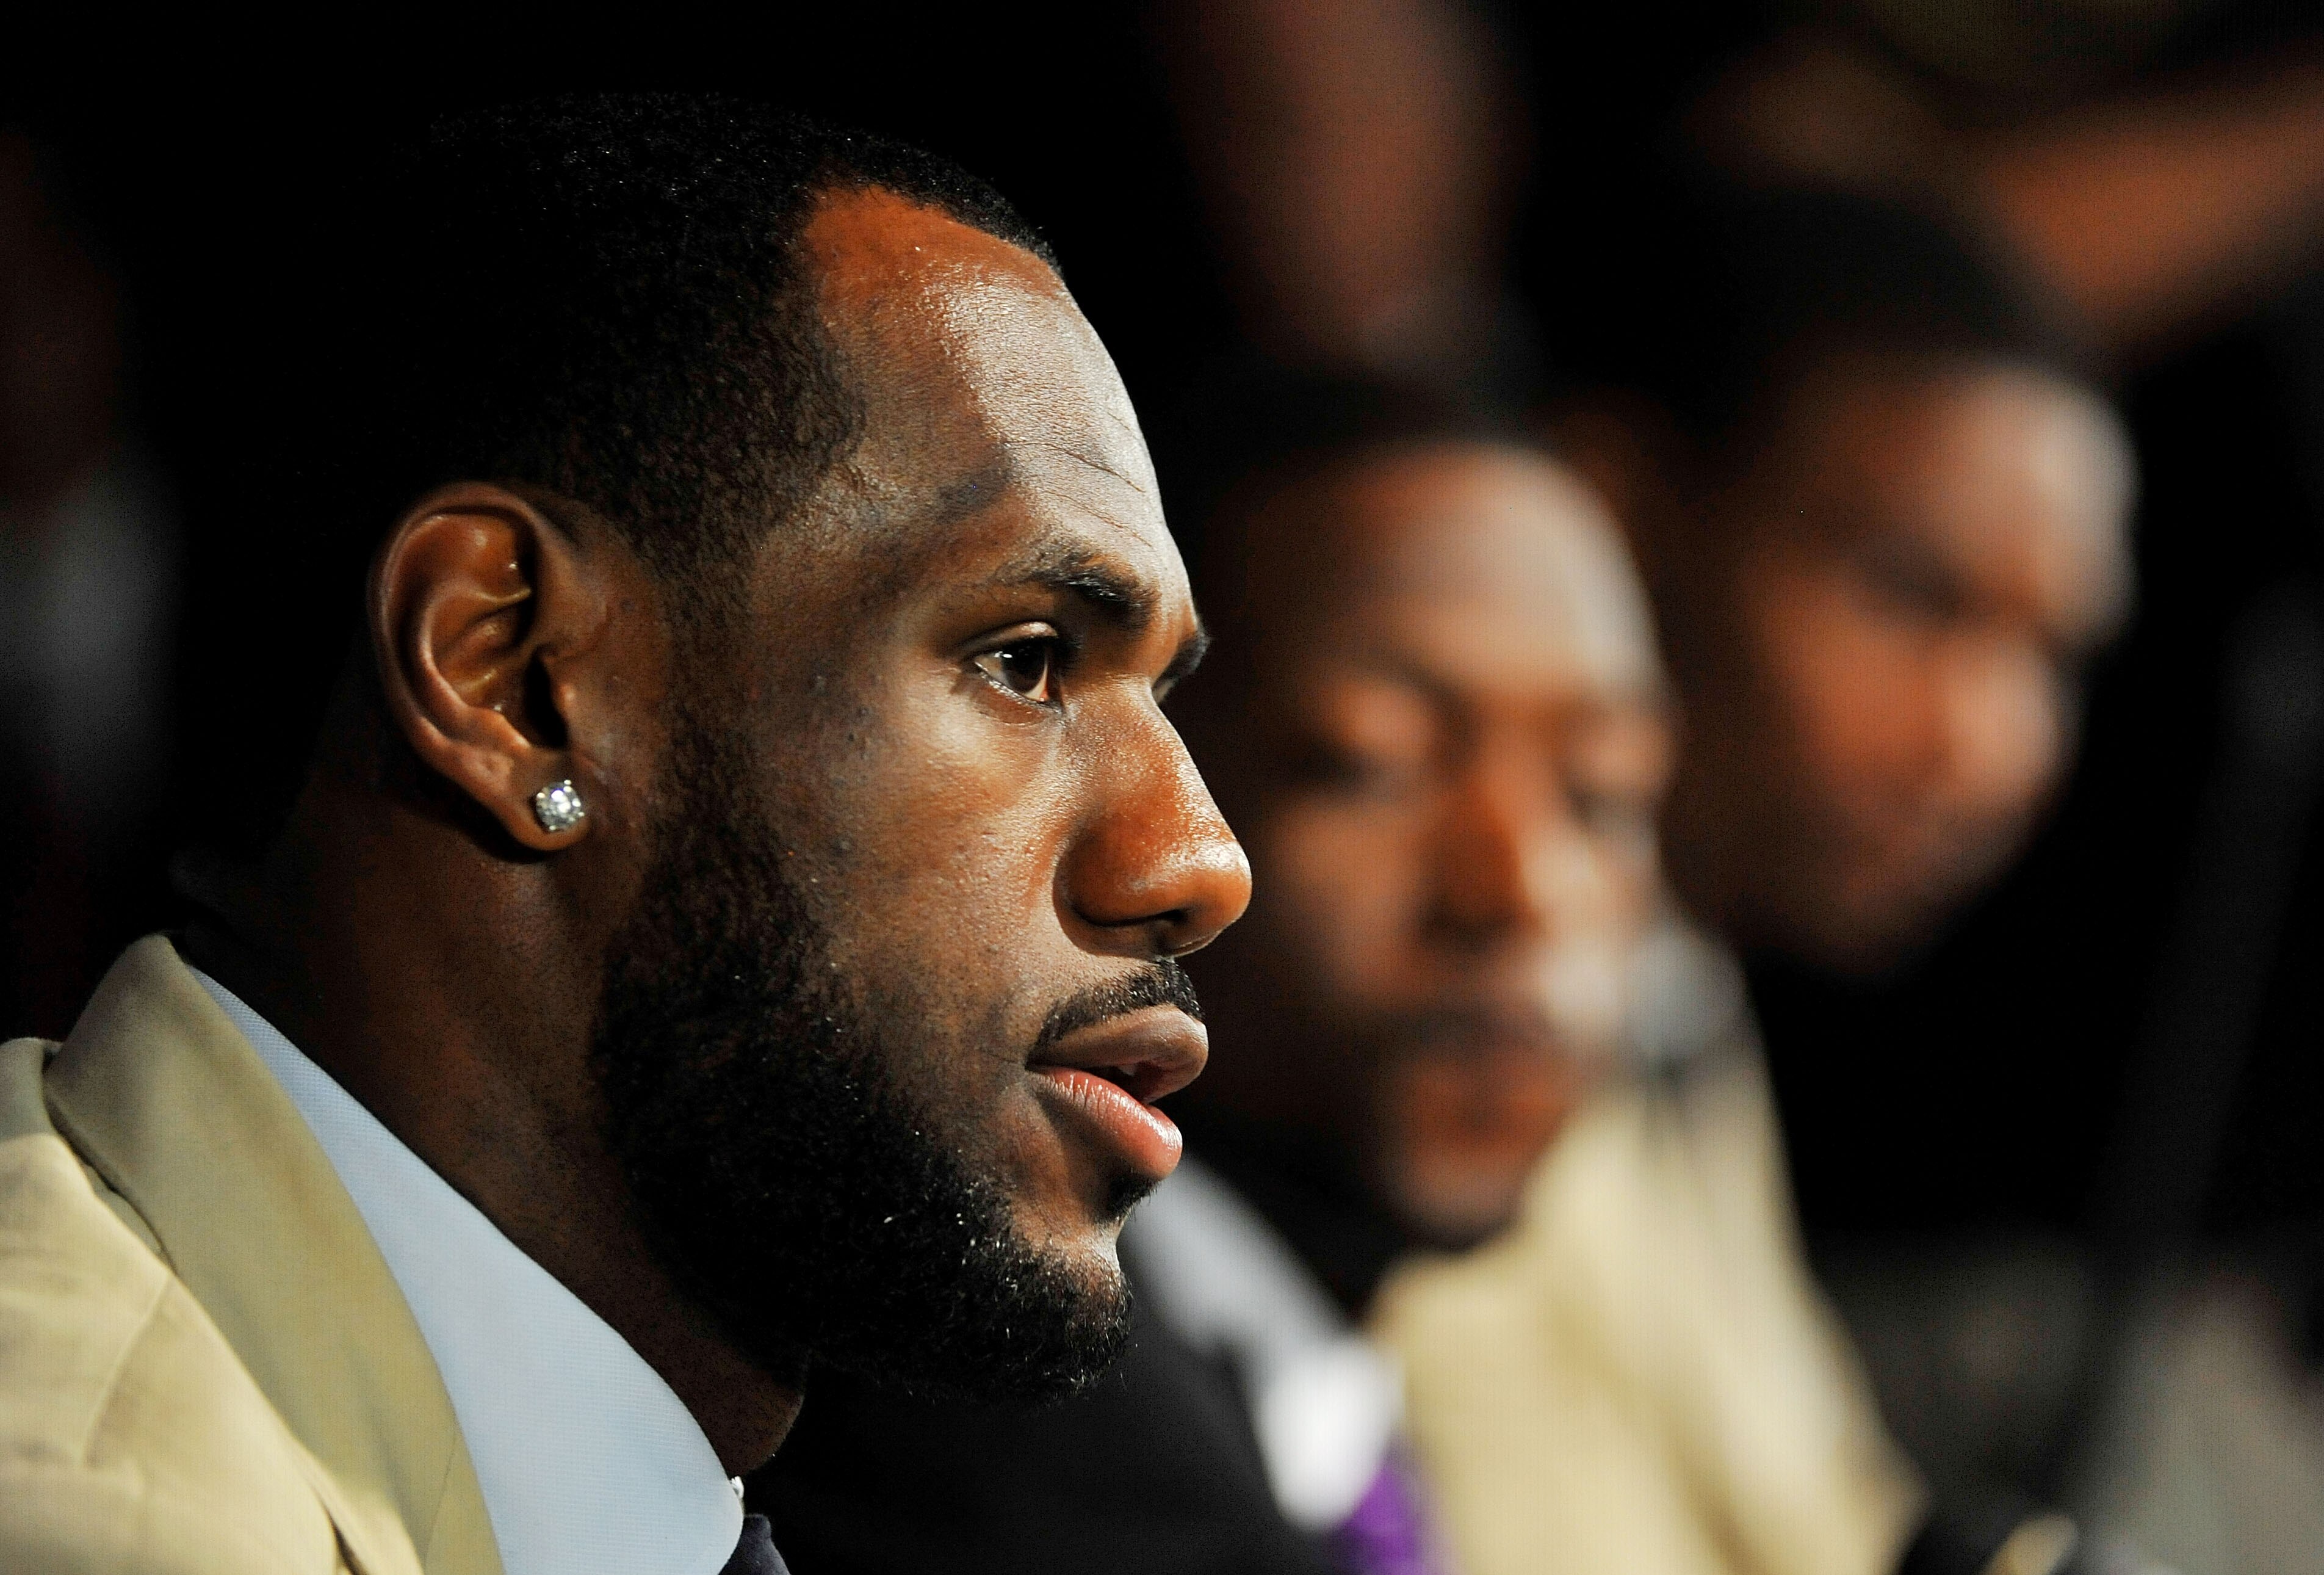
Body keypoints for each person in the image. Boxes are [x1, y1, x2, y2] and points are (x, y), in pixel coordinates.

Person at [0, 95, 1250, 1575]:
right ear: (510, 676)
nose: (1198, 863)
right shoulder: (112, 1521)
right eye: (1024, 658)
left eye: (1159, 696)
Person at [753, 372, 1674, 1575]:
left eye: (1602, 791)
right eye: (1371, 764)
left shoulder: (1295, 1393)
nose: (1518, 890)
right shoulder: (1022, 1440)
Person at [1373, 187, 2137, 1575]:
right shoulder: (1424, 1045)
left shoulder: (1680, 1005)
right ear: (1617, 515)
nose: (1986, 751)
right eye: (1907, 594)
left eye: (2052, 657)